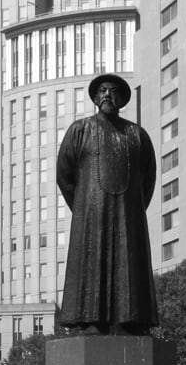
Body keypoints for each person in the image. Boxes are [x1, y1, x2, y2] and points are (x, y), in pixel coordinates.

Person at [56, 73, 158, 335]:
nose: (108, 96)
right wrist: (83, 207)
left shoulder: (137, 134)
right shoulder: (80, 130)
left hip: (128, 214)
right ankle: (90, 321)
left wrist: (133, 209)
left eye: (113, 91)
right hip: (91, 214)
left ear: (122, 99)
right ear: (95, 97)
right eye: (102, 91)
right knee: (91, 264)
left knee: (129, 264)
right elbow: (64, 176)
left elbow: (147, 179)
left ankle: (130, 320)